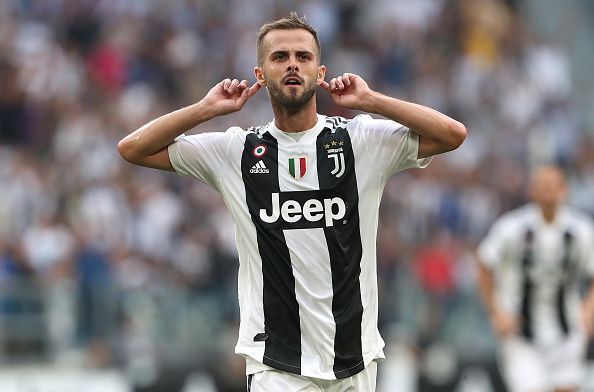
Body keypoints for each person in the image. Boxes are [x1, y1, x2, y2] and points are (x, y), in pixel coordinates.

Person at [118, 12, 466, 392]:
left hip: (355, 356)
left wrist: (370, 100)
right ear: (260, 74)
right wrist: (206, 109)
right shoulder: (237, 150)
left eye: (303, 56)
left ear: (320, 72)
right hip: (276, 362)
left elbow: (452, 134)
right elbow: (134, 148)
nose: (292, 65)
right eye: (279, 57)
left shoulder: (360, 141)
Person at [477, 165, 594, 392]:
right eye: (542, 187)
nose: (548, 193)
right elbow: (483, 265)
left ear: (564, 190)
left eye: (553, 186)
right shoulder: (511, 228)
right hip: (521, 333)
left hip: (567, 331)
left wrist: (588, 313)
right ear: (532, 191)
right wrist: (497, 314)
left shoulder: (581, 231)